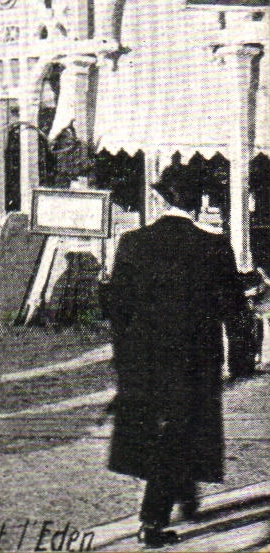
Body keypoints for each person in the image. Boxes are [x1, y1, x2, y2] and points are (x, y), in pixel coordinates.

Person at [103, 174, 250, 548]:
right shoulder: (214, 247)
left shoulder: (132, 242)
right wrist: (240, 360)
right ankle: (152, 522)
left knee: (166, 432)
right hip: (194, 361)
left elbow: (117, 309)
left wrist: (124, 359)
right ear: (198, 205)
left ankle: (185, 496)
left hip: (144, 360)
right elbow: (234, 311)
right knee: (178, 435)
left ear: (161, 203)